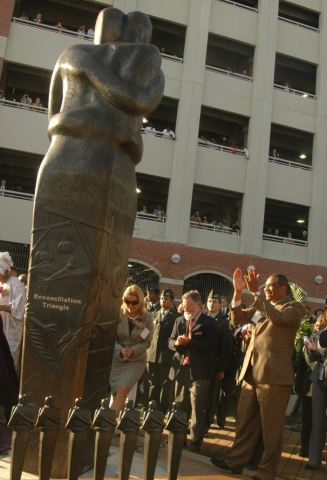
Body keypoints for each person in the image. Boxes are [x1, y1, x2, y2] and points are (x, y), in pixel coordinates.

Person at [210, 268, 303, 480]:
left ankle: (266, 472)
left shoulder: (294, 307)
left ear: (283, 288)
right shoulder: (262, 305)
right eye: (265, 285)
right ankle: (235, 462)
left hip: (275, 378)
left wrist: (256, 294)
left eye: (271, 286)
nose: (267, 288)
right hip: (251, 374)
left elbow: (277, 318)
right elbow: (238, 318)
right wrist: (237, 292)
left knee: (271, 430)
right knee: (244, 422)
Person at [169, 290, 218, 451]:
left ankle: (196, 441)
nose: (186, 310)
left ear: (198, 305)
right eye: (184, 307)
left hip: (200, 372)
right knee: (180, 404)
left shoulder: (209, 323)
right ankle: (179, 436)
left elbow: (208, 346)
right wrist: (176, 343)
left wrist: (188, 343)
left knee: (196, 405)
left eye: (189, 307)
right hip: (181, 369)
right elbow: (170, 341)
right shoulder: (179, 321)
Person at [109, 285, 154, 418]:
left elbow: (147, 341)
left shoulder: (147, 318)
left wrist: (132, 351)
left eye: (134, 302)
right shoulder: (118, 314)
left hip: (136, 360)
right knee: (117, 393)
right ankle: (117, 424)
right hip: (118, 359)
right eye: (127, 302)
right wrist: (121, 350)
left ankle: (108, 422)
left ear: (140, 302)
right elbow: (111, 338)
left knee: (123, 389)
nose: (130, 305)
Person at [147, 288, 179, 414]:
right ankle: (150, 409)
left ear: (172, 301)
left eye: (166, 299)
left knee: (165, 385)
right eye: (161, 298)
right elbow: (146, 332)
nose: (163, 301)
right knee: (152, 384)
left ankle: (161, 411)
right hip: (152, 355)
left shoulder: (176, 317)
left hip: (166, 356)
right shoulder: (153, 314)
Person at [204, 290, 232, 434]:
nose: (211, 304)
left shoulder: (223, 323)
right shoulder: (200, 319)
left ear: (220, 305)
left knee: (211, 398)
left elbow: (226, 348)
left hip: (214, 366)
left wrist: (222, 369)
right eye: (209, 301)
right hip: (200, 365)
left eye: (214, 302)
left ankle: (206, 425)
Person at [304, 324, 327, 470]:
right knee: (317, 421)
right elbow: (313, 358)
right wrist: (312, 350)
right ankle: (314, 460)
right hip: (319, 381)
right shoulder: (321, 333)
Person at [0, 252, 26, 373]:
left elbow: (18, 308)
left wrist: (1, 307)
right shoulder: (1, 284)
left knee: (8, 359)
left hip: (10, 327)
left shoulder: (15, 283)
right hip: (1, 325)